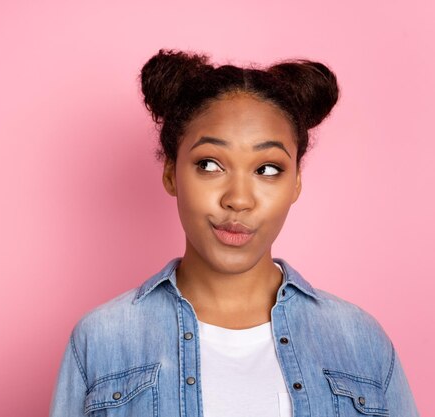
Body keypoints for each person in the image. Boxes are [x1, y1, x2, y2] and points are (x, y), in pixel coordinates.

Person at [49, 49, 419, 417]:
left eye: (268, 169)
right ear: (171, 173)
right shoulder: (101, 341)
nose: (238, 199)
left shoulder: (360, 341)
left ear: (295, 184)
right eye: (209, 164)